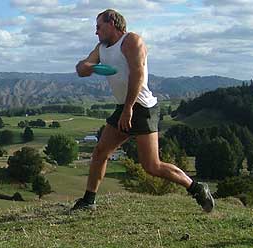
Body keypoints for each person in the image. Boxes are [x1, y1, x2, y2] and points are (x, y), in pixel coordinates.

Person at [72, 9, 214, 213]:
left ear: (111, 22)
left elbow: (137, 75)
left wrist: (128, 109)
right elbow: (82, 67)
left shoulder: (132, 41)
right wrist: (88, 67)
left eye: (98, 27)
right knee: (100, 152)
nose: (96, 32)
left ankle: (196, 188)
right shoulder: (101, 48)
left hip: (142, 108)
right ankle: (88, 201)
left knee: (152, 166)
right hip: (124, 107)